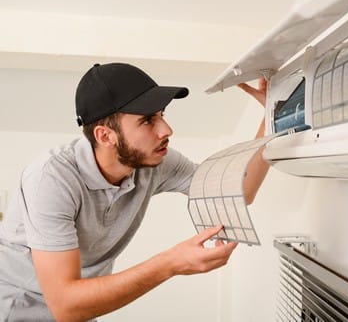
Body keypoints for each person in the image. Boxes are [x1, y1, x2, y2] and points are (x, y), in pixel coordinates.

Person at [0, 62, 269, 321]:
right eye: (148, 120)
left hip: (80, 307)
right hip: (16, 308)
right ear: (105, 136)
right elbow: (66, 306)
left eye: (162, 115)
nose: (167, 129)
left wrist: (270, 116)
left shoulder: (154, 163)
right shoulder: (52, 179)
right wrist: (170, 264)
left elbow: (240, 191)